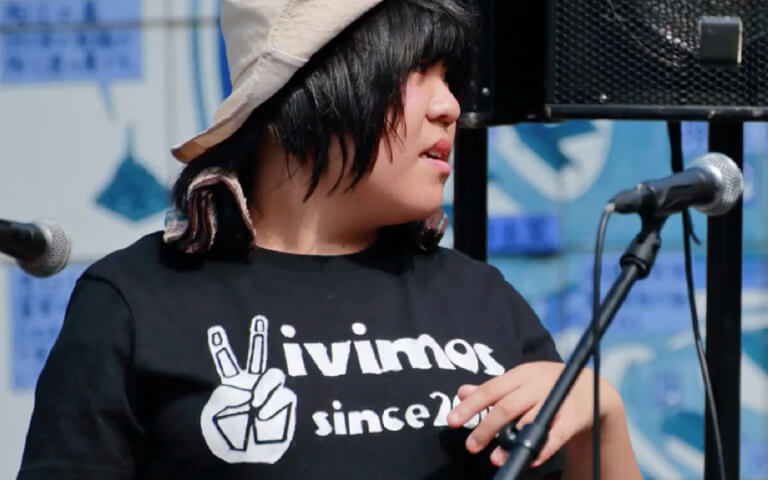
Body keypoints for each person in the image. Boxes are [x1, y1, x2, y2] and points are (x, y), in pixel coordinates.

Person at [18, 1, 642, 479]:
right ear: (313, 85)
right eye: (417, 71)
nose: (450, 106)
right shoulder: (136, 301)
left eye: (449, 76)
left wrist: (602, 421)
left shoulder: (482, 300)